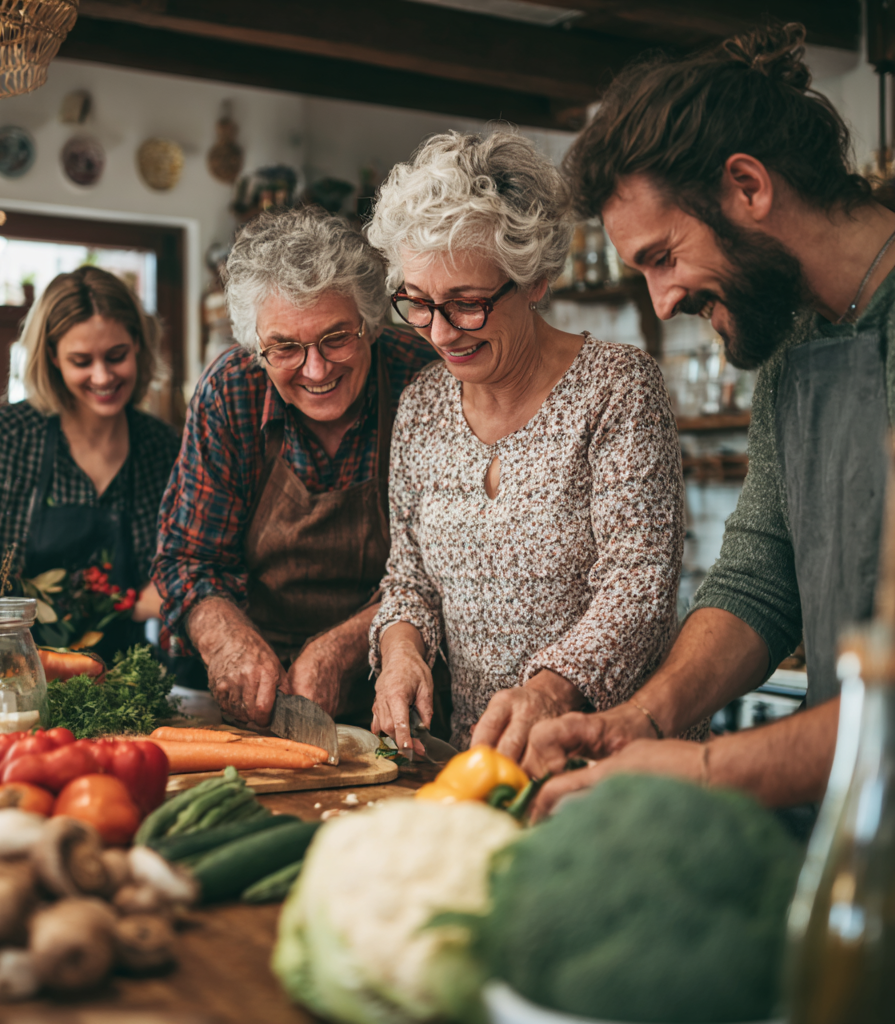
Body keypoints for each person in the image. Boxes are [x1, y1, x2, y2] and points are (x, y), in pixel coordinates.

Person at [521, 22, 895, 817]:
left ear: (748, 186)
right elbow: (761, 575)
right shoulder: (796, 336)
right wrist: (638, 721)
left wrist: (691, 772)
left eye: (662, 256)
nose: (662, 302)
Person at [364, 130, 687, 753]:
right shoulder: (422, 406)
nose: (440, 331)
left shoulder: (616, 388)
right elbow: (410, 579)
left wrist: (550, 690)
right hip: (478, 757)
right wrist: (400, 650)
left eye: (465, 304)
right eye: (419, 303)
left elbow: (639, 583)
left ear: (534, 279)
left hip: (609, 750)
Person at [151, 206, 436, 727]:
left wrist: (344, 650)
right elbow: (188, 560)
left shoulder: (423, 378)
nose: (316, 369)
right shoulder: (231, 389)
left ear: (370, 322)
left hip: (397, 684)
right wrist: (230, 644)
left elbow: (444, 570)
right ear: (257, 347)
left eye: (335, 337)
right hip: (260, 689)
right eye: (284, 347)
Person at [0, 267, 180, 657]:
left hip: (121, 686)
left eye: (116, 356)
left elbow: (192, 558)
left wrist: (171, 586)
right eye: (81, 361)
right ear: (52, 357)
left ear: (137, 344)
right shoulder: (7, 436)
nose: (102, 376)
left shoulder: (163, 448)